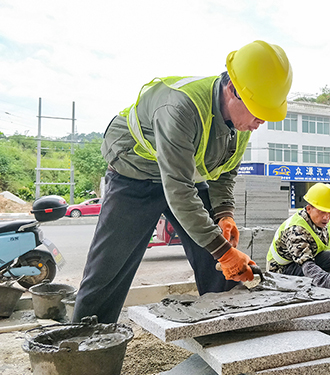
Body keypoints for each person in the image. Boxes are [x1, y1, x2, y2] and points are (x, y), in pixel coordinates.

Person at [72, 40, 293, 324]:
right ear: (232, 90)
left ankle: (229, 330)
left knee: (216, 256)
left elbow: (224, 171)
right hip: (135, 175)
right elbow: (178, 191)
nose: (261, 120)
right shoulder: (180, 107)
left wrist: (224, 213)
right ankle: (85, 347)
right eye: (258, 111)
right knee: (108, 270)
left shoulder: (244, 121)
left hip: (184, 176)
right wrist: (224, 252)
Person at [267, 183, 330, 294]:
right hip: (282, 273)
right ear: (309, 209)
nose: (326, 217)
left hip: (302, 263)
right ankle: (329, 286)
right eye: (322, 212)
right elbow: (307, 266)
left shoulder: (324, 222)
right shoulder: (296, 230)